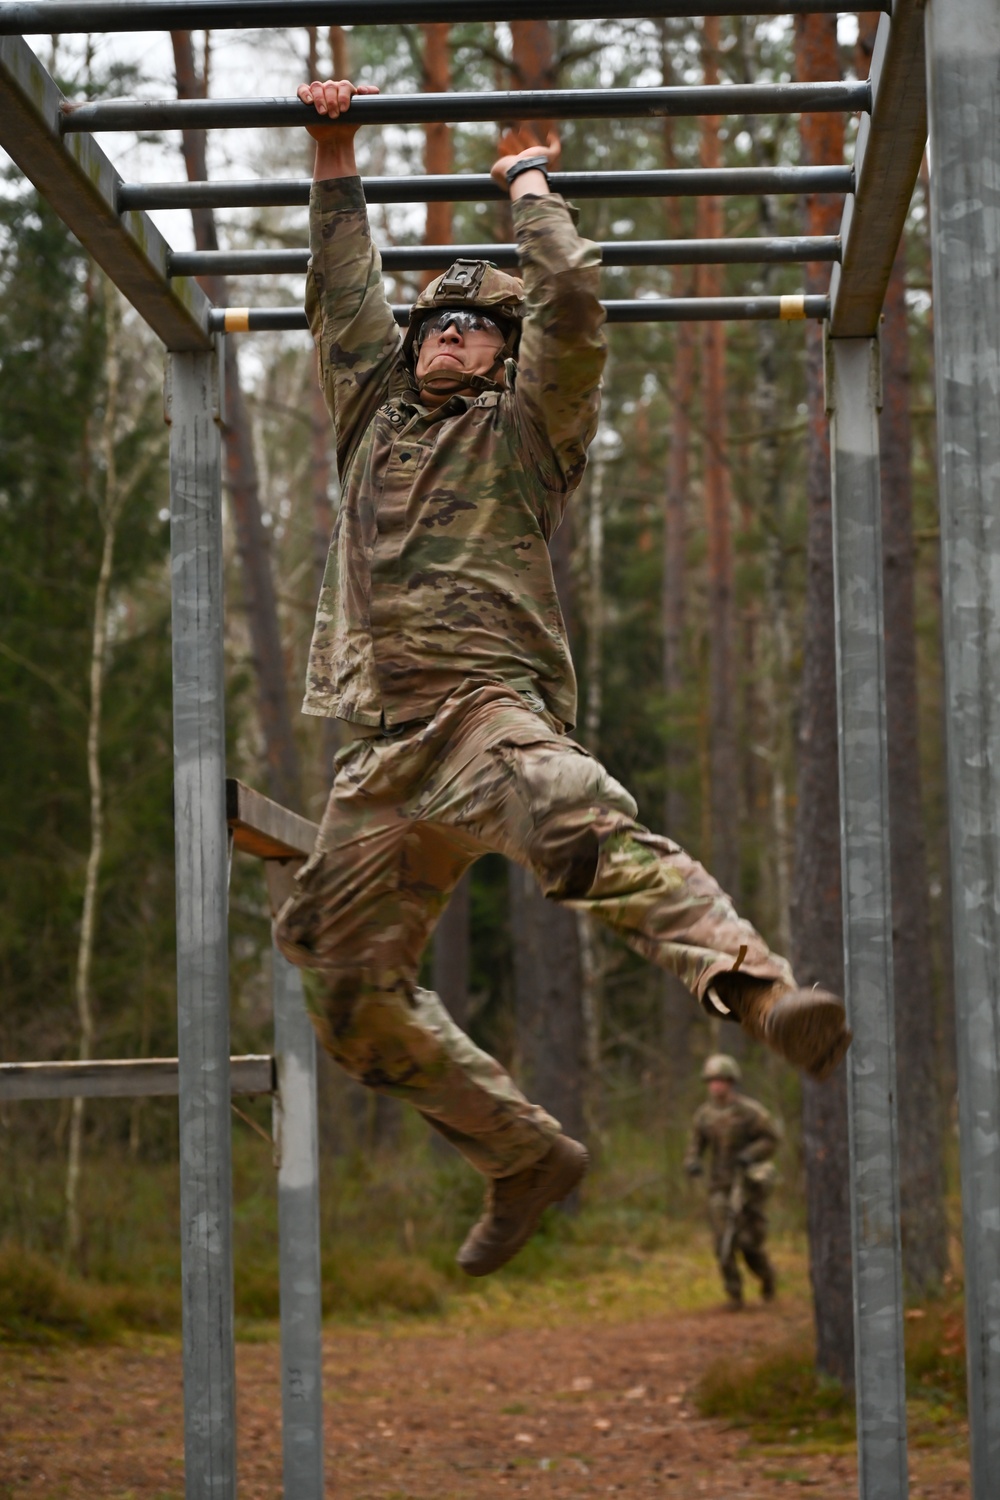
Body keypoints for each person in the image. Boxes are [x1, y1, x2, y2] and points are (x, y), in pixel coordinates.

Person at [274, 76, 851, 1279]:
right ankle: (521, 1154)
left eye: (475, 326)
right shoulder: (371, 418)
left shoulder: (529, 429)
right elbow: (340, 300)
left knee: (569, 813)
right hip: (381, 749)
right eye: (436, 321)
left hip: (486, 714)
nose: (447, 334)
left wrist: (528, 189)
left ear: (507, 353)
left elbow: (575, 300)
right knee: (336, 978)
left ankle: (754, 990)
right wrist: (333, 153)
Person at [684, 1054, 780, 1309]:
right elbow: (695, 1146)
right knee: (722, 1241)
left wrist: (751, 1155)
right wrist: (692, 1162)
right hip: (719, 1185)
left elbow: (771, 1138)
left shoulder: (750, 1113)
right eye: (712, 1081)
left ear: (731, 1082)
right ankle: (734, 1294)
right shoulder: (704, 1116)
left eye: (722, 1081)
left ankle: (767, 1278)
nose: (717, 1086)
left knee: (749, 1243)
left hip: (748, 1186)